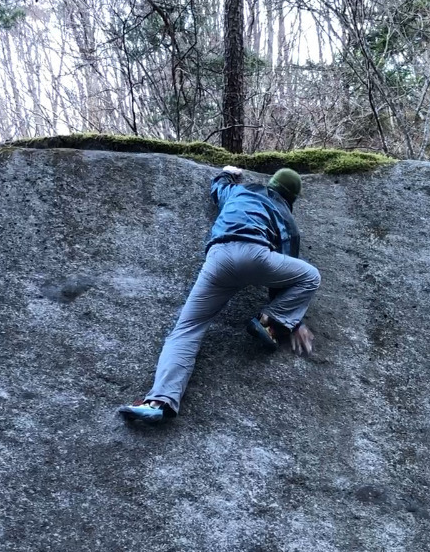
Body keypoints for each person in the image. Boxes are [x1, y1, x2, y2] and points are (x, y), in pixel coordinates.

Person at [118, 165, 320, 424]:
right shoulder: (286, 217)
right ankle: (269, 321)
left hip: (218, 259)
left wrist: (227, 173)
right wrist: (292, 321)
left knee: (187, 329)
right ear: (291, 198)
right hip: (256, 256)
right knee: (311, 276)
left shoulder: (238, 192)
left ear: (271, 183)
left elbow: (218, 187)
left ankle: (158, 402)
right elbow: (287, 267)